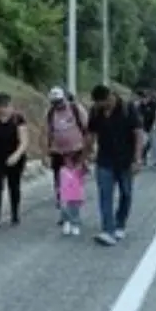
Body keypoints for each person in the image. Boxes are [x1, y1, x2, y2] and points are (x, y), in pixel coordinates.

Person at [86, 84, 144, 246]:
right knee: (105, 195)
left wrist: (138, 159)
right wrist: (86, 154)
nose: (100, 106)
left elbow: (138, 134)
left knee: (126, 193)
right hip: (104, 160)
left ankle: (120, 224)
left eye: (102, 103)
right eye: (97, 104)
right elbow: (90, 134)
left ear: (110, 97)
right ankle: (108, 230)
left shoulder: (128, 109)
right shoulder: (96, 111)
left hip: (125, 160)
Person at [0, 92, 29, 231]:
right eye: (1, 107)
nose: (4, 110)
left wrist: (16, 155)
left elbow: (24, 141)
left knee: (14, 186)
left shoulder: (18, 119)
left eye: (6, 106)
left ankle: (15, 213)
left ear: (11, 106)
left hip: (14, 158)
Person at [44, 86, 89, 226]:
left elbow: (87, 129)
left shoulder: (76, 109)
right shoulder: (50, 113)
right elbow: (46, 132)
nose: (58, 105)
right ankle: (64, 214)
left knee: (73, 185)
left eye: (59, 101)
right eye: (55, 102)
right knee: (59, 185)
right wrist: (45, 152)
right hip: (58, 153)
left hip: (76, 152)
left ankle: (74, 215)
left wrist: (88, 151)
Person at [57, 150, 86, 236]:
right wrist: (58, 192)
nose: (67, 162)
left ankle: (75, 224)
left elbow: (82, 179)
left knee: (75, 210)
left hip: (75, 195)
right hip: (65, 195)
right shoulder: (62, 170)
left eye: (69, 161)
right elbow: (60, 182)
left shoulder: (78, 171)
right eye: (66, 161)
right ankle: (67, 222)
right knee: (64, 210)